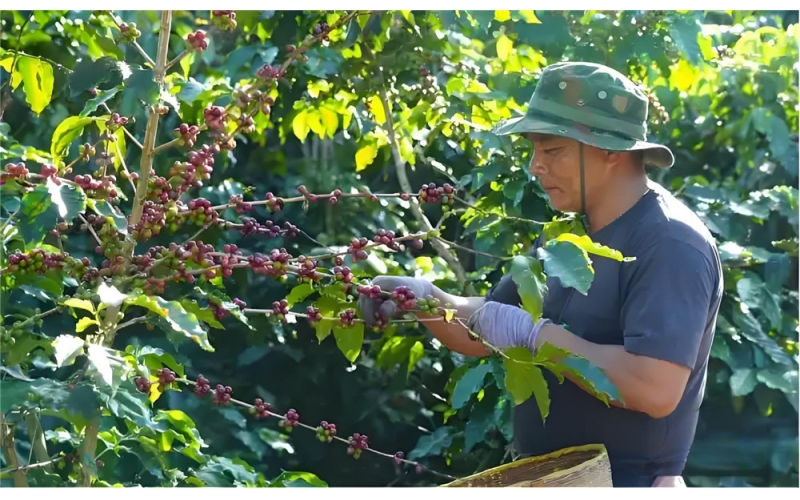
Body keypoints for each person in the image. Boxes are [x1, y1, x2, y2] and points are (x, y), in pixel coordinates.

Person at [358, 62, 724, 488]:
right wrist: (422, 298)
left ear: (609, 151)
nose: (535, 167)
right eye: (534, 150)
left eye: (552, 151)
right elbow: (491, 325)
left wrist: (536, 335)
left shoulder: (669, 243)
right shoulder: (570, 231)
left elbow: (654, 388)